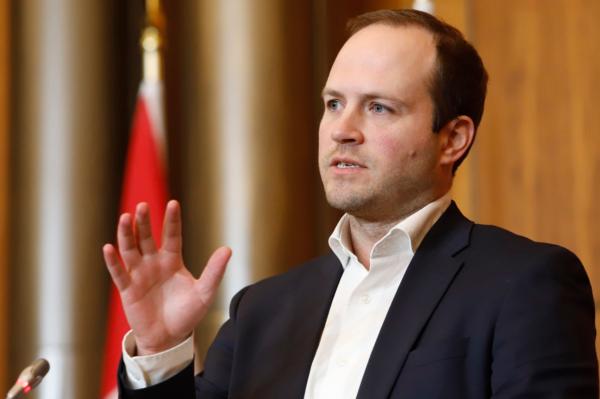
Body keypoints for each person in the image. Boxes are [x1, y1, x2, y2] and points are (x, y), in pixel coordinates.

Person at [103, 9, 598, 399]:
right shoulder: (263, 311)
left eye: (379, 107)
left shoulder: (526, 284)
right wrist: (161, 350)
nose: (342, 130)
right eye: (334, 104)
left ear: (453, 139)